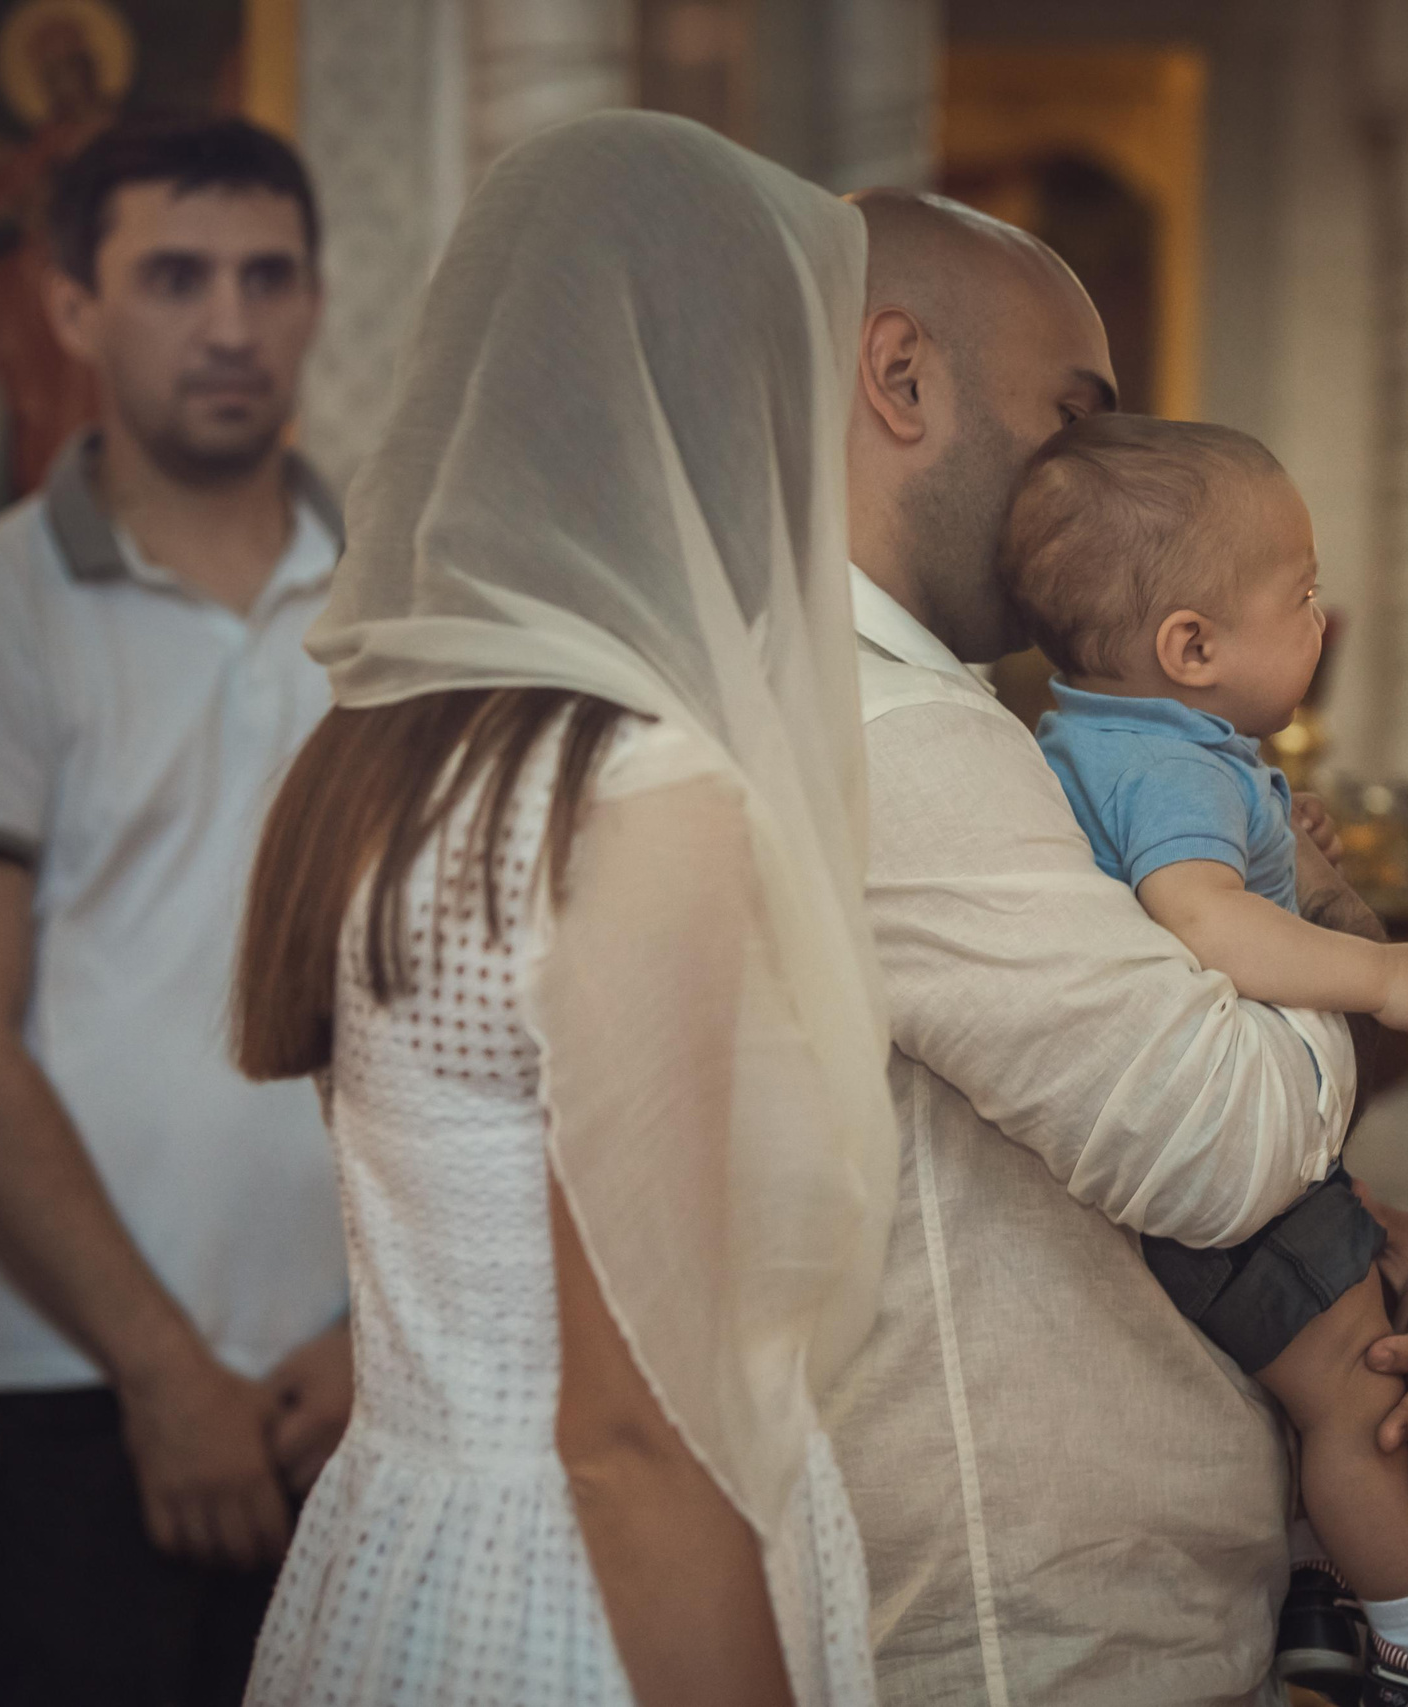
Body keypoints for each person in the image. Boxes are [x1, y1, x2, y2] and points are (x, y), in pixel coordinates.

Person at [228, 113, 893, 1706]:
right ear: (709, 414)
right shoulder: (637, 791)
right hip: (588, 1615)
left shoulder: (381, 747)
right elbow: (628, 1433)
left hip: (400, 1548)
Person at [823, 188, 1408, 1706]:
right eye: (1069, 420)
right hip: (1025, 1638)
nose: (1088, 486)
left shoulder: (983, 717)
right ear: (900, 377)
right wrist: (1341, 946)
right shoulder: (891, 732)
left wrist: (1379, 1248)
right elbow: (1224, 1137)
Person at [1003, 412, 1408, 1707]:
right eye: (1303, 594)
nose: (1324, 619)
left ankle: (1321, 1596)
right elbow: (1205, 921)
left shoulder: (1132, 742)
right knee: (1350, 1385)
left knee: (1331, 1369)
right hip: (1215, 1192)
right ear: (1193, 647)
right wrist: (1388, 972)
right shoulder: (1165, 769)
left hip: (1185, 1196)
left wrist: (1277, 830)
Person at [0, 117, 345, 1707]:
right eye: (175, 277)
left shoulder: (402, 608)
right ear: (70, 305)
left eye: (269, 277)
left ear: (316, 300)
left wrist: (385, 1342)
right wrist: (159, 1372)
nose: (230, 324)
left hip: (368, 1394)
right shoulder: (5, 606)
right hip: (69, 1394)